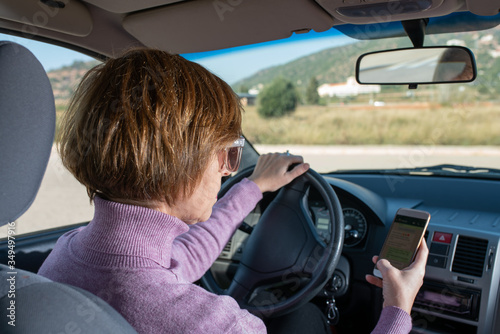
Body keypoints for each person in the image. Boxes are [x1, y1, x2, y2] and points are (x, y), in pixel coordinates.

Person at [38, 48, 427, 333]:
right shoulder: (208, 323)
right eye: (225, 155)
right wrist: (398, 308)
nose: (228, 171)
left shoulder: (65, 256)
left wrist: (255, 186)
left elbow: (181, 258)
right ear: (180, 160)